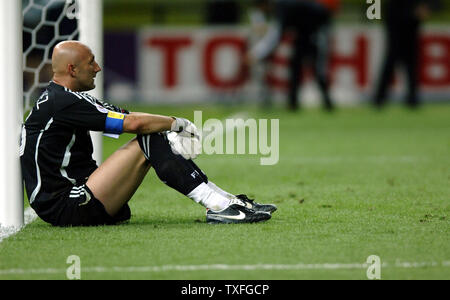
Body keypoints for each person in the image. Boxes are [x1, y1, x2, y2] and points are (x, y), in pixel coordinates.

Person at [20, 41, 276, 227]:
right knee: (149, 137)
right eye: (91, 62)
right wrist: (179, 123)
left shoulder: (64, 99)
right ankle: (220, 206)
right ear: (73, 69)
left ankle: (226, 201)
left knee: (153, 134)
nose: (97, 68)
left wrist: (168, 128)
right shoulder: (63, 102)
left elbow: (128, 117)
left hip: (77, 193)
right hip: (65, 204)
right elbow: (136, 124)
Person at [246, 0, 335, 111]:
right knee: (295, 66)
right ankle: (293, 104)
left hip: (317, 31)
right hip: (303, 33)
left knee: (317, 68)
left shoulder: (282, 8)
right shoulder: (283, 6)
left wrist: (256, 54)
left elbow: (276, 36)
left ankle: (327, 103)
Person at [372, 0, 439, 108]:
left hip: (411, 20)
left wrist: (426, 7)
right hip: (395, 17)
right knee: (393, 58)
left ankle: (411, 97)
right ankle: (380, 98)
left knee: (410, 60)